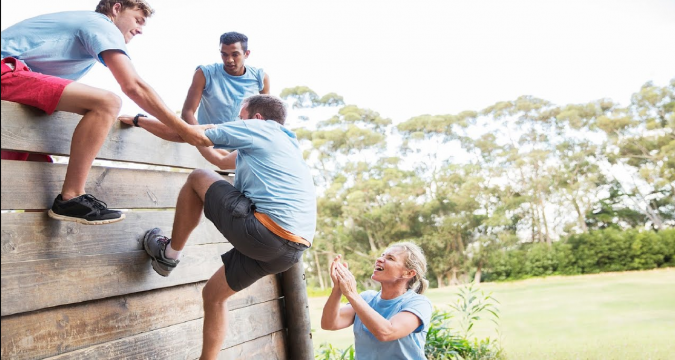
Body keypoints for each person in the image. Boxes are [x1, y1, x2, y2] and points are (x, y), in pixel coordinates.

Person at [1, 0, 213, 225]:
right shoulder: (100, 24)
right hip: (6, 71)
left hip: (15, 87)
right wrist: (185, 128)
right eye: (138, 20)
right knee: (107, 103)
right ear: (116, 8)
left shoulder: (79, 49)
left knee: (39, 173)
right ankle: (71, 196)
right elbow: (133, 86)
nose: (140, 29)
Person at [141, 94, 316, 359]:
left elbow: (190, 135)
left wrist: (138, 119)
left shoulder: (259, 128)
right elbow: (221, 160)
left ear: (256, 118)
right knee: (214, 295)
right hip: (290, 251)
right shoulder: (284, 144)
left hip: (267, 233)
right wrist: (196, 135)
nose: (237, 122)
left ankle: (169, 255)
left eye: (240, 117)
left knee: (198, 177)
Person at [119, 31, 269, 167]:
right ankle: (140, 120)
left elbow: (268, 118)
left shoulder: (260, 78)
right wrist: (197, 137)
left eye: (235, 54)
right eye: (224, 54)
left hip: (242, 138)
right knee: (183, 131)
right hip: (209, 133)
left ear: (246, 54)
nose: (229, 59)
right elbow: (188, 112)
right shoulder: (204, 73)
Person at [321, 242, 433, 360]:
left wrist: (351, 293)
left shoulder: (419, 304)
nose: (379, 259)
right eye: (382, 255)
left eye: (390, 258)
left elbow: (387, 332)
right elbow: (330, 323)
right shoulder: (366, 298)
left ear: (409, 273)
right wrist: (338, 288)